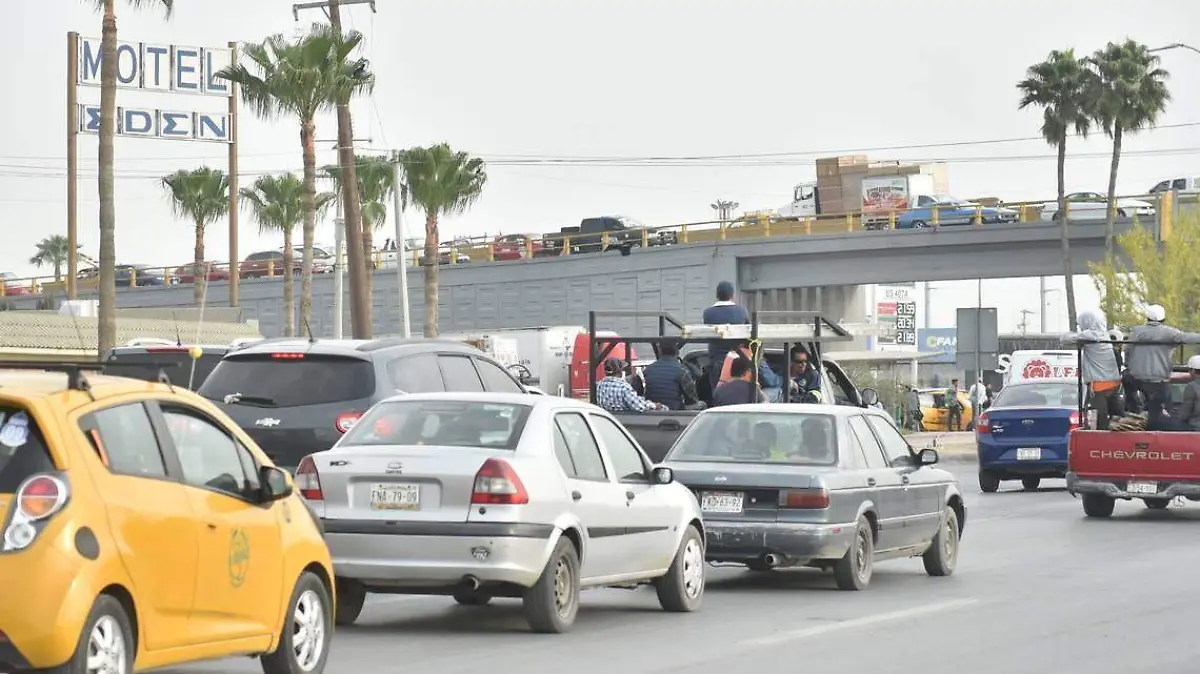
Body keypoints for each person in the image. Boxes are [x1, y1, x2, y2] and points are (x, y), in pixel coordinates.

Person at [1127, 304, 1200, 429]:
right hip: (1158, 381)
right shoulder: (1169, 333)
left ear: (1147, 318)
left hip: (1136, 378)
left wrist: (1129, 365)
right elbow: (1187, 337)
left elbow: (1127, 351)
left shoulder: (1136, 332)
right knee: (1164, 411)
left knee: (1129, 386)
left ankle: (1133, 414)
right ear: (1163, 319)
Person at [1061, 310, 1122, 430]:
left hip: (1099, 386)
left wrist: (1074, 333)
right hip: (1114, 384)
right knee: (1116, 421)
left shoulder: (1089, 335)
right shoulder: (1104, 334)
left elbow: (1064, 340)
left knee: (1098, 424)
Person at [702, 280, 751, 389]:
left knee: (718, 394)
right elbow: (749, 332)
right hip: (738, 362)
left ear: (717, 295)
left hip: (717, 360)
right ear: (732, 295)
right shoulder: (741, 311)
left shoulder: (708, 313)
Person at [642, 340, 704, 410]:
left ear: (660, 352)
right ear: (677, 352)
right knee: (702, 404)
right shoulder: (682, 370)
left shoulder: (648, 370)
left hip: (653, 410)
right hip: (674, 410)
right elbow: (692, 397)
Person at [595, 359, 665, 413]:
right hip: (624, 422)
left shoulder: (599, 386)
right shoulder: (623, 387)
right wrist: (655, 405)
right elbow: (639, 406)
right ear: (620, 371)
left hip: (608, 420)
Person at [1173, 355, 1200, 431]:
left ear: (1193, 371)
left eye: (1189, 370)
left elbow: (1184, 415)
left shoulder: (1192, 386)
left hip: (1195, 429)